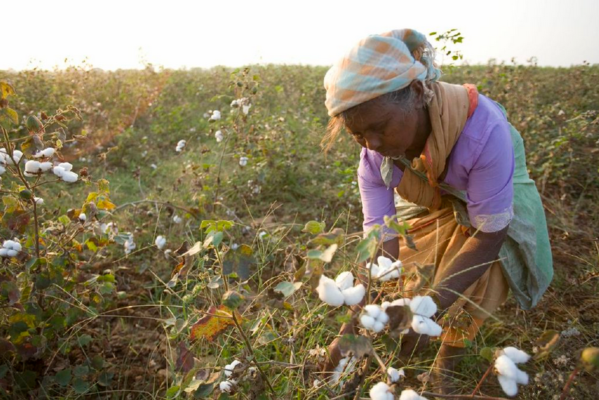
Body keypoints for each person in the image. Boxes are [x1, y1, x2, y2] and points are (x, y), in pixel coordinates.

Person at [321, 29, 553, 393]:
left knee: (481, 267)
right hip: (434, 194)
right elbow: (382, 247)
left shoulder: (484, 131)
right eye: (359, 136)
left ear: (416, 93)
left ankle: (447, 363)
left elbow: (488, 235)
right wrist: (349, 330)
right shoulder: (375, 158)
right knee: (417, 262)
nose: (372, 144)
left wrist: (425, 311)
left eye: (379, 128)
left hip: (492, 195)